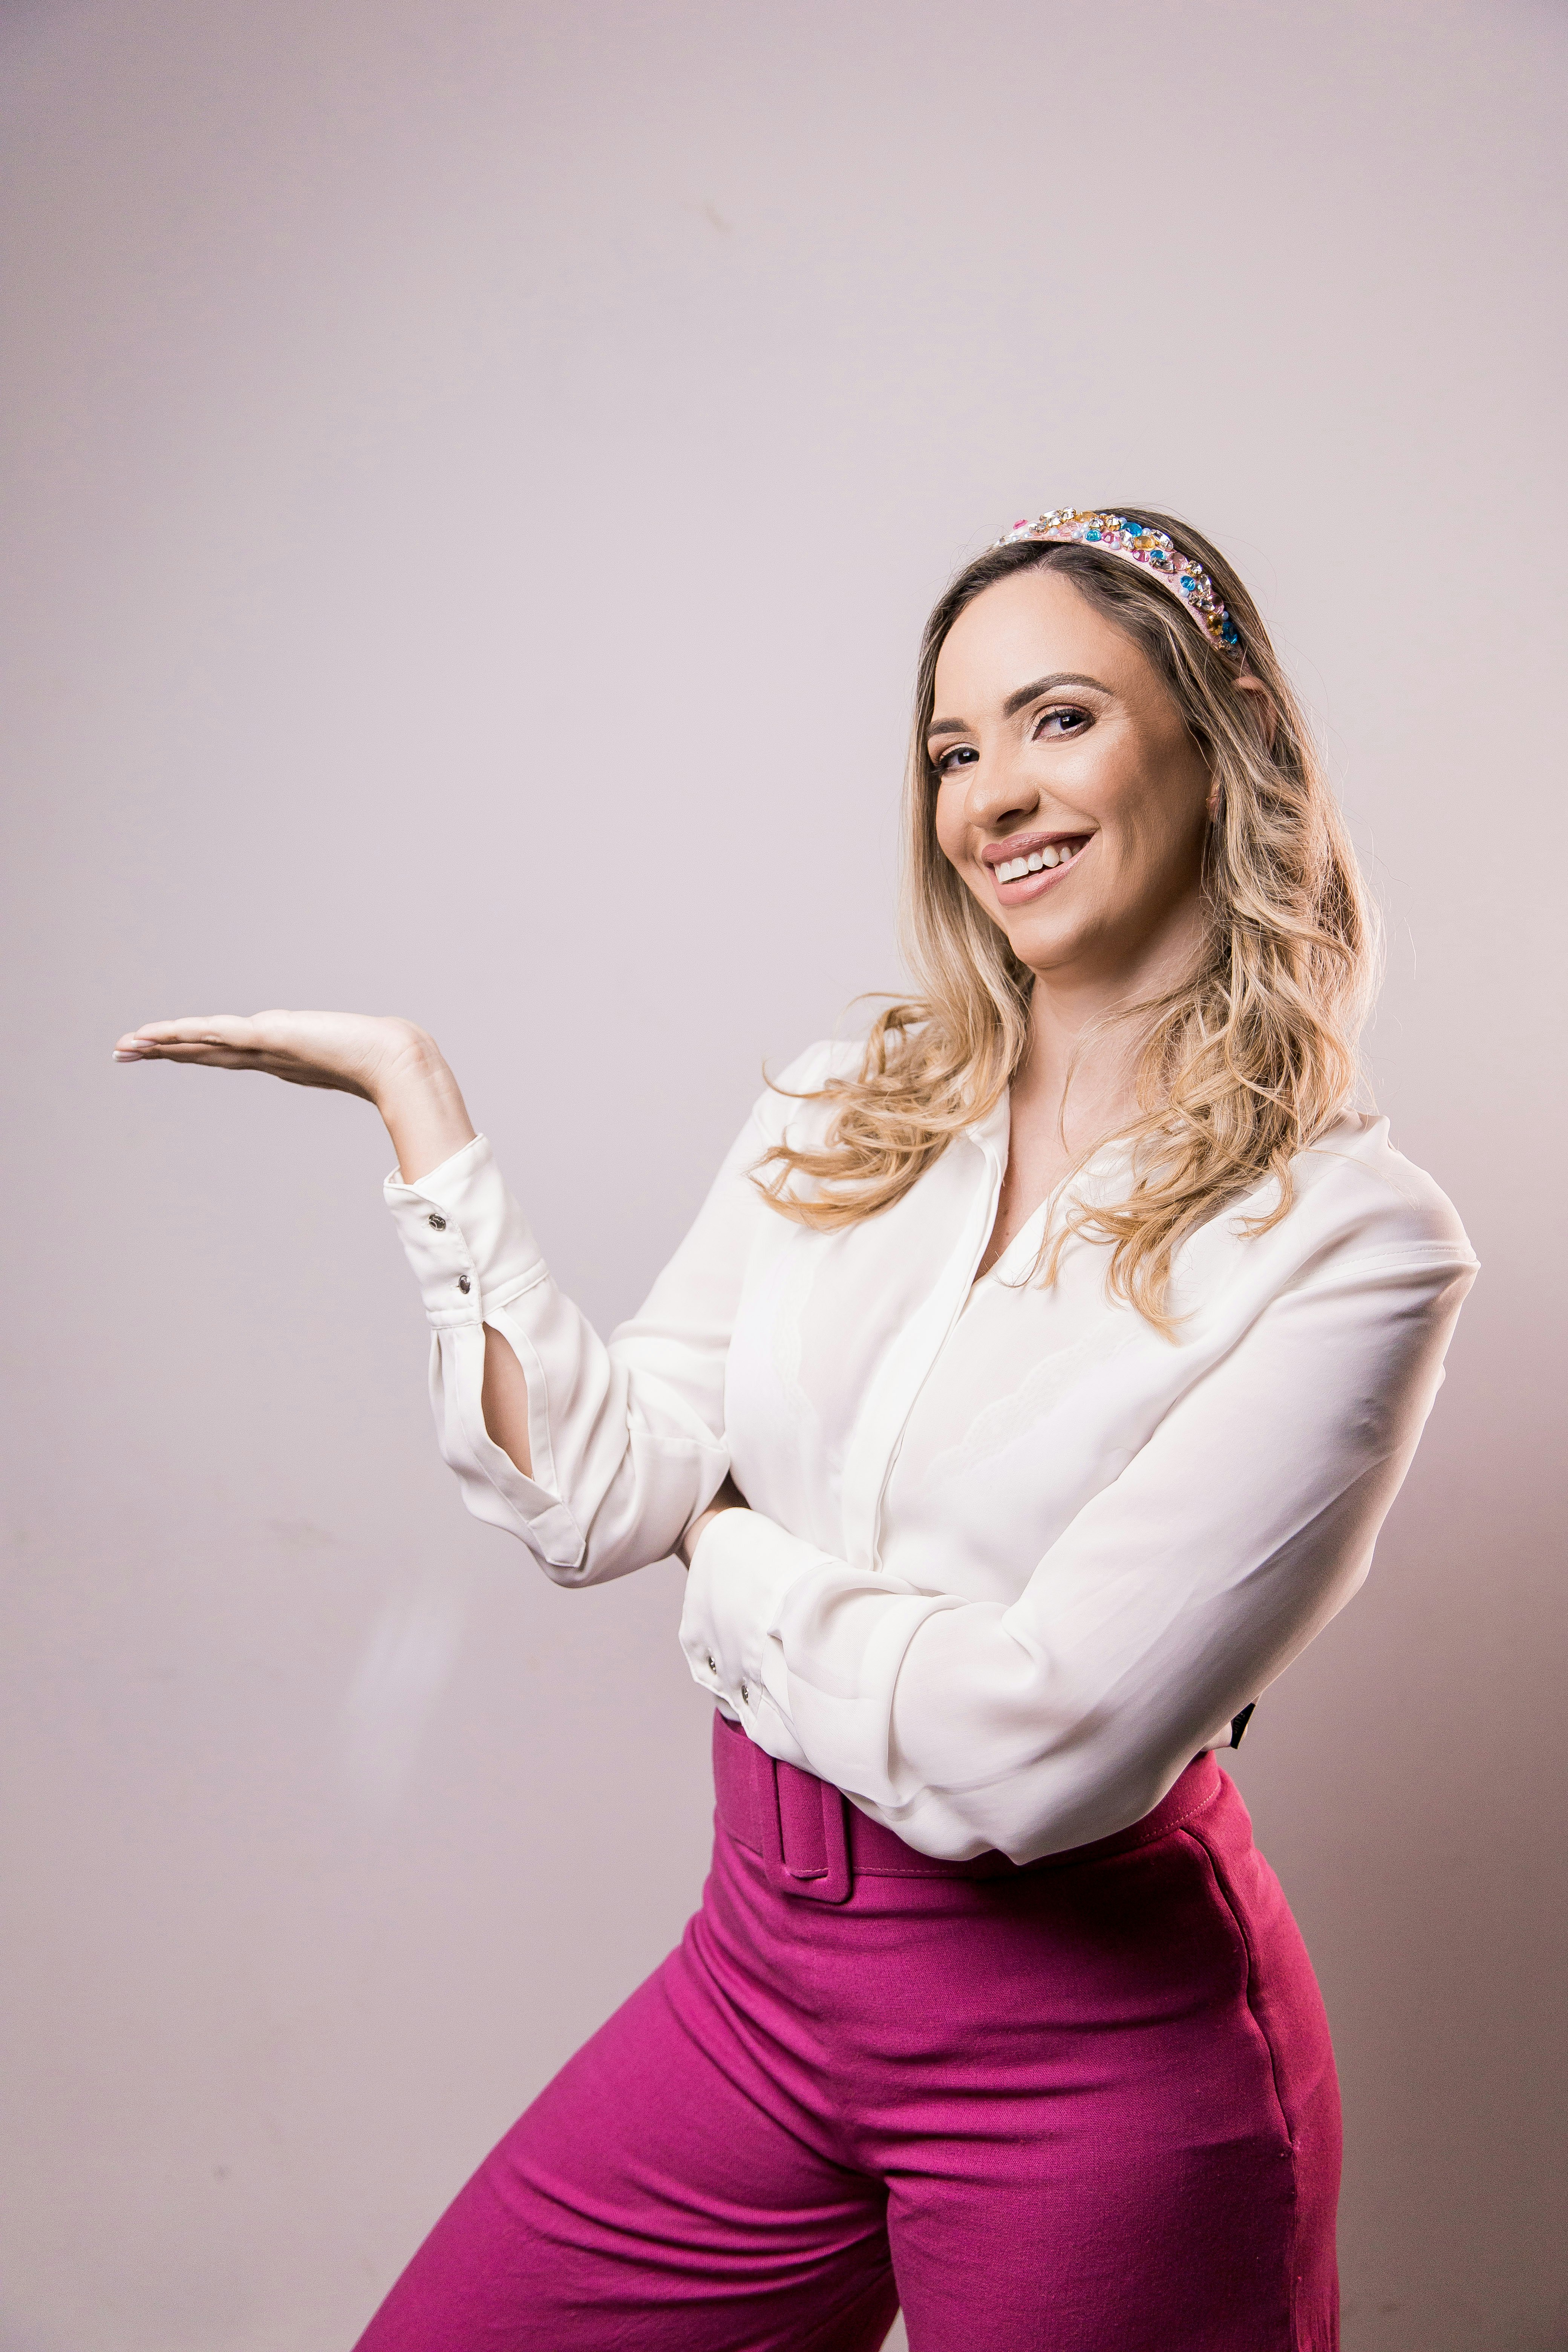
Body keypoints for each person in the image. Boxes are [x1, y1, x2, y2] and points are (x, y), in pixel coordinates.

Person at [114, 507, 1476, 2352]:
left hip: (1088, 2062)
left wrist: (729, 1551)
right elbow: (597, 1490)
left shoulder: (1348, 1242)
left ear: (1218, 743)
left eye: (1054, 720)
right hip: (758, 1978)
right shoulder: (854, 1103)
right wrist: (421, 1118)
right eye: (951, 747)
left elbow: (1037, 1750)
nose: (992, 790)